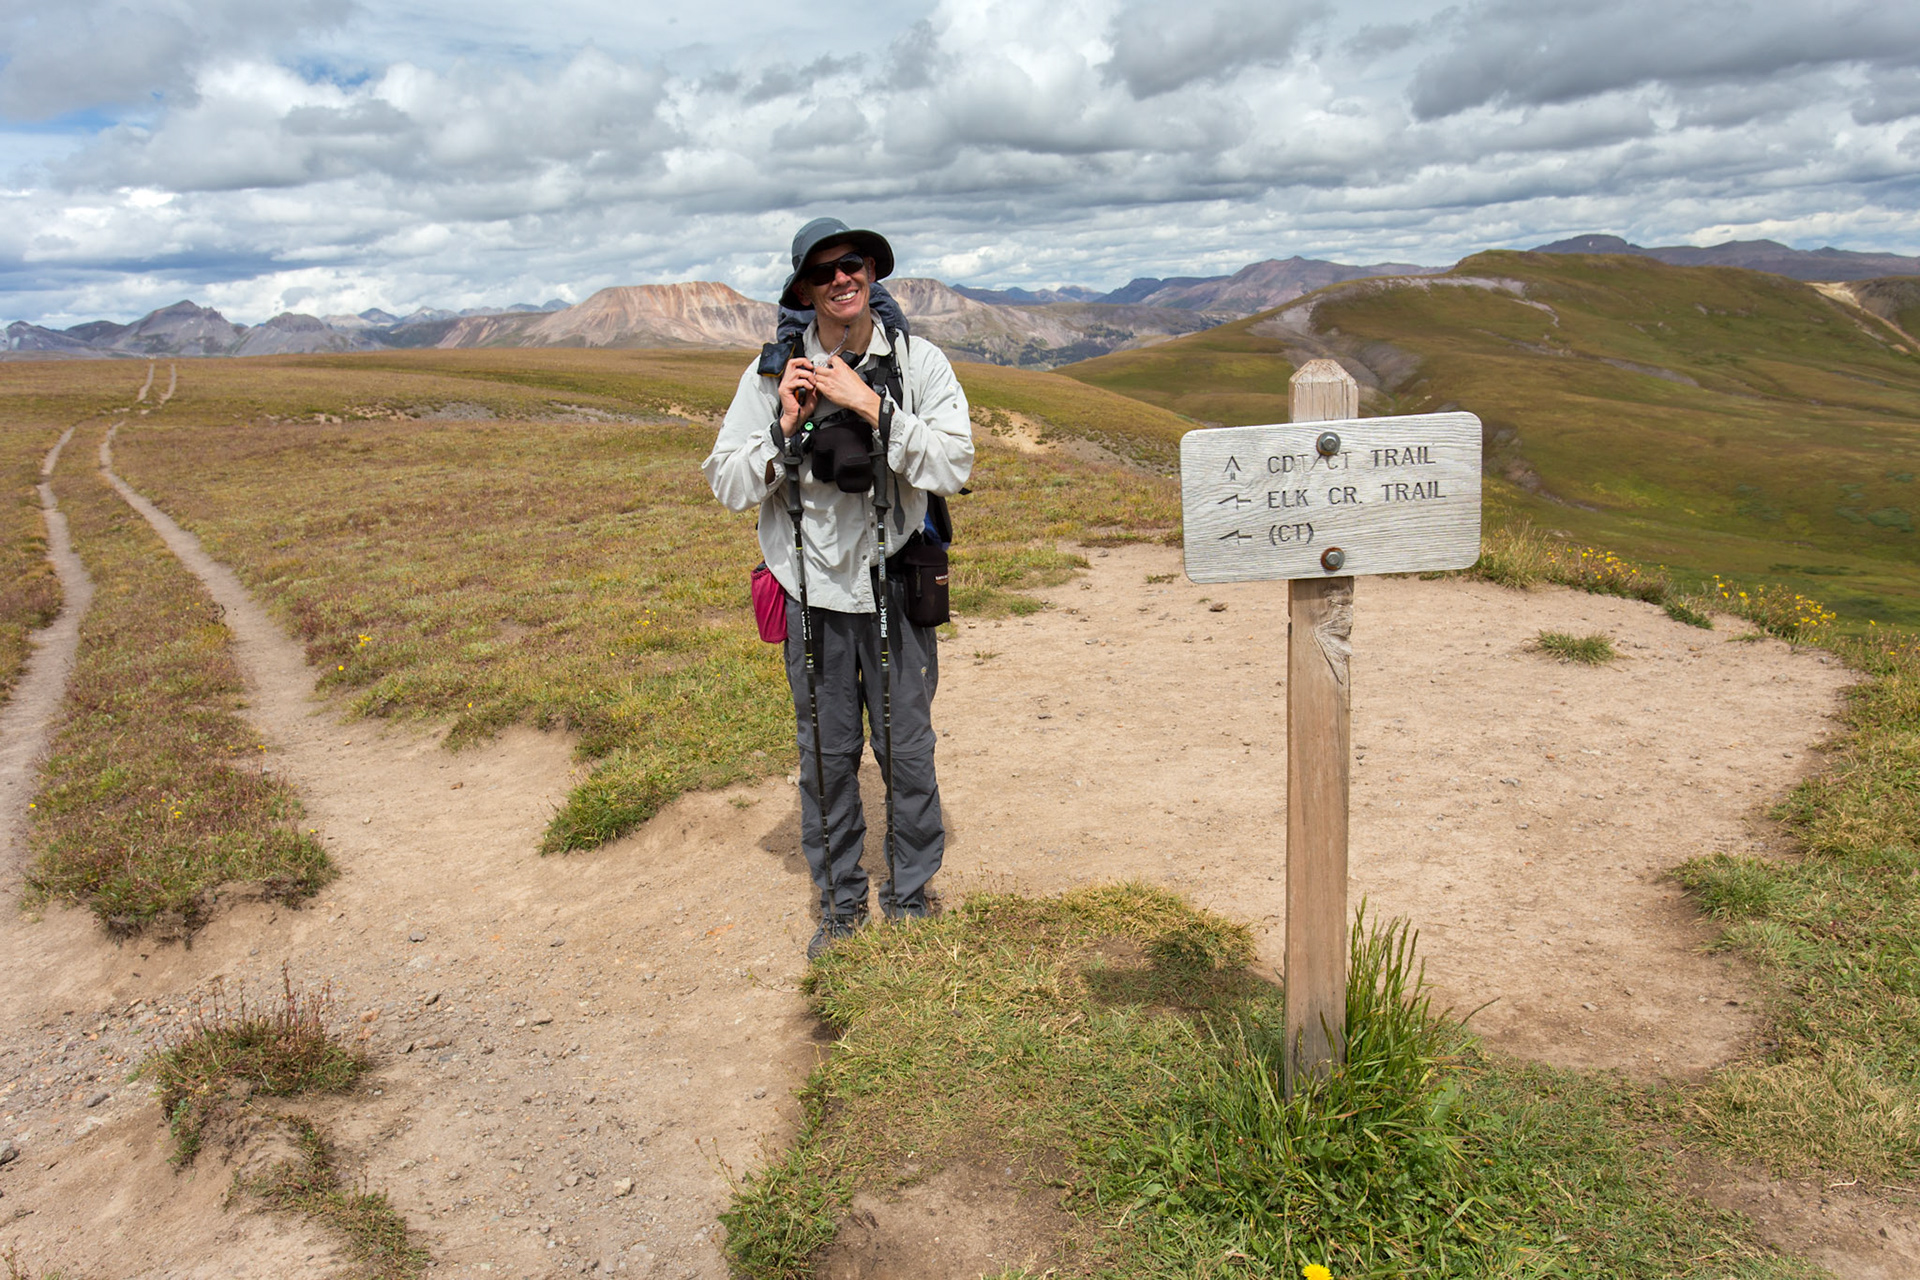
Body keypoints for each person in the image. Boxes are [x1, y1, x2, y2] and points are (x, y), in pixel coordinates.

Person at [702, 217, 974, 959]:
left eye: (851, 264)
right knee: (826, 758)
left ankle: (911, 897)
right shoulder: (770, 375)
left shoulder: (919, 363)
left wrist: (868, 405)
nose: (840, 280)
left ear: (872, 272)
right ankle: (842, 905)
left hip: (896, 592)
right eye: (822, 273)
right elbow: (725, 483)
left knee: (908, 751)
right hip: (809, 596)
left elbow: (954, 465)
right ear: (803, 290)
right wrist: (783, 429)